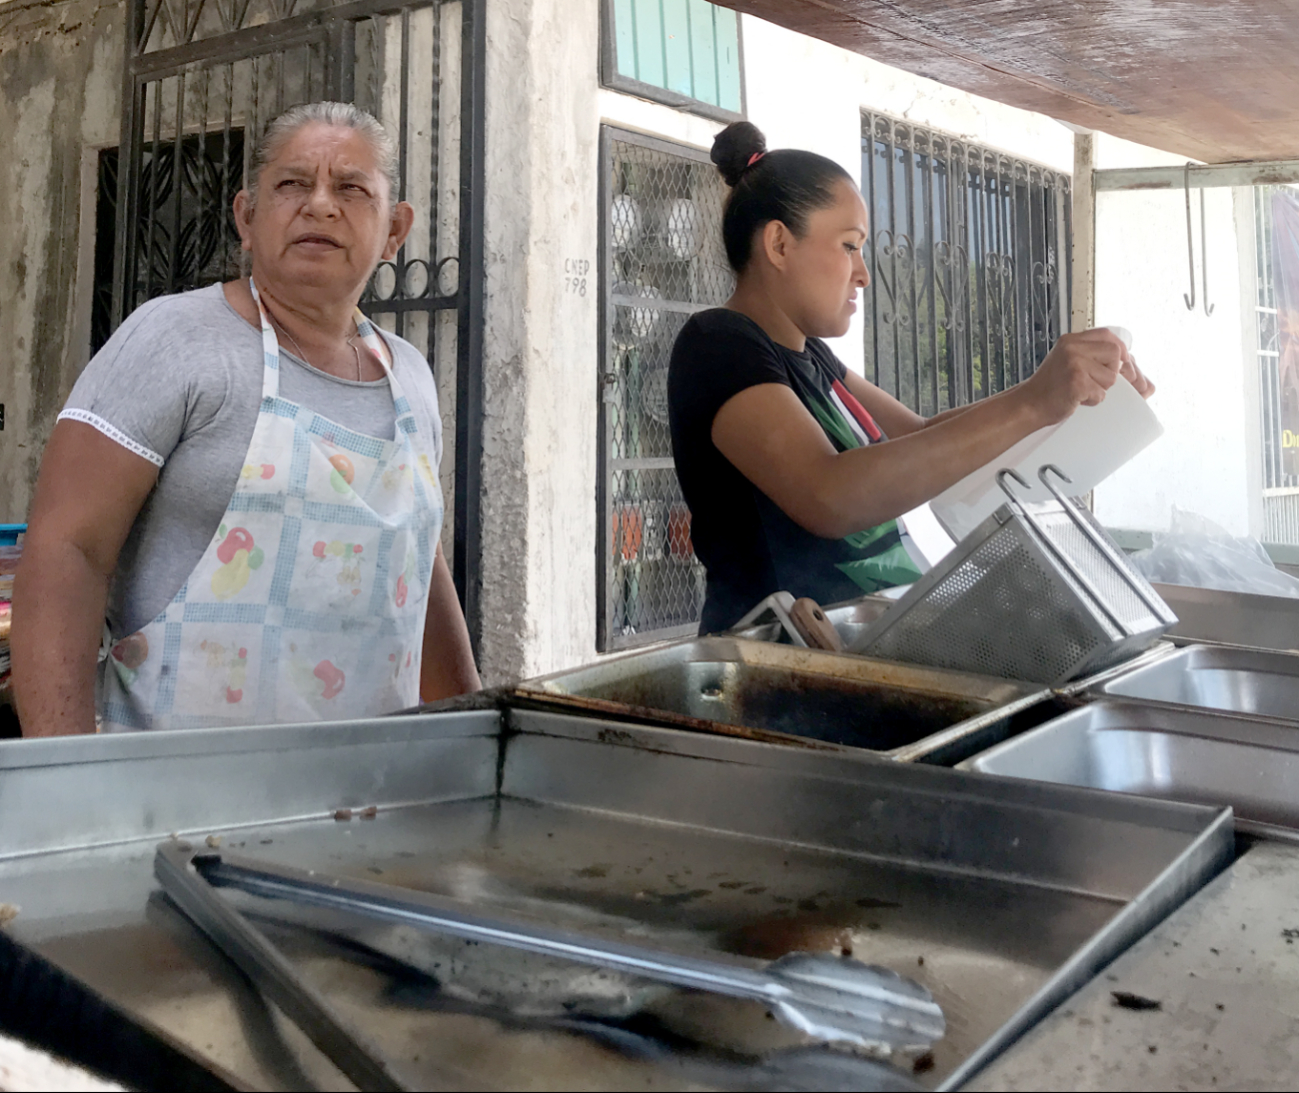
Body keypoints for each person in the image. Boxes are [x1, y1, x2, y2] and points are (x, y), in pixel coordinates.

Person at [13, 101, 480, 735]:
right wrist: (64, 781)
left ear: (395, 230)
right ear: (247, 217)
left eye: (351, 188)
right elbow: (68, 549)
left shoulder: (411, 380)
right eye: (291, 184)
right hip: (175, 801)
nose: (319, 205)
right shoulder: (173, 340)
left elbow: (419, 572)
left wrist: (468, 741)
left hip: (370, 793)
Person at [668, 122, 1154, 634]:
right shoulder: (719, 344)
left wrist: (1071, 398)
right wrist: (1035, 401)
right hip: (776, 673)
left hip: (857, 650)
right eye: (849, 246)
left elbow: (923, 438)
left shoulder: (813, 358)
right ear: (779, 244)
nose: (864, 273)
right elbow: (828, 494)